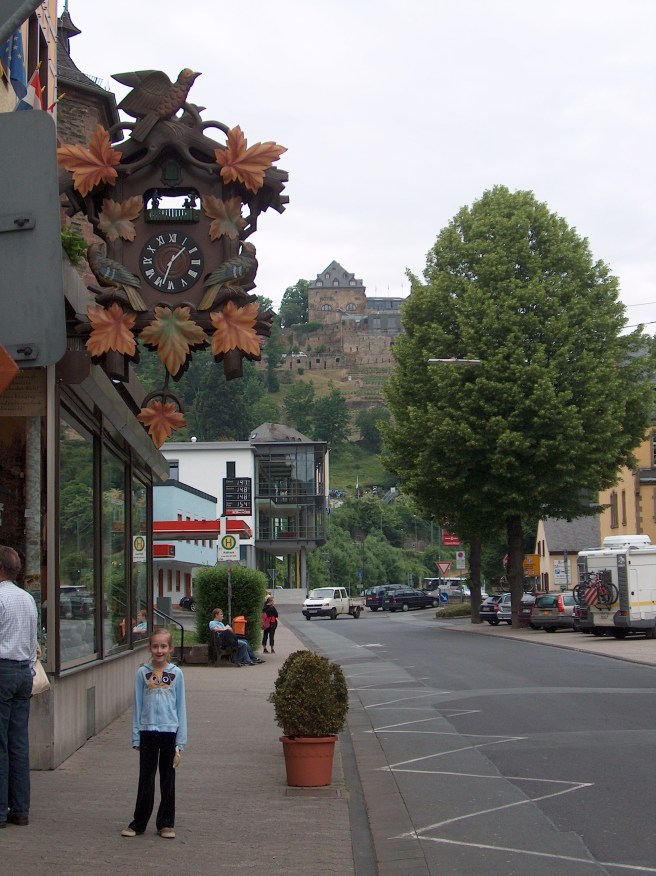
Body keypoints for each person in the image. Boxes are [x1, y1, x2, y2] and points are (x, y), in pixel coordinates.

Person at [121, 628, 187, 839]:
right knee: (146, 778)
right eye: (155, 646)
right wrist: (136, 735)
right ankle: (138, 823)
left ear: (170, 649)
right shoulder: (142, 672)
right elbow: (138, 705)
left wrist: (181, 740)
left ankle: (166, 823)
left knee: (168, 778)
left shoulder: (177, 673)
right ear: (150, 648)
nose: (159, 650)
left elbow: (181, 706)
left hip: (169, 731)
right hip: (148, 731)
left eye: (163, 646)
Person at [0, 546, 38, 828]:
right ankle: (20, 810)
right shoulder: (27, 599)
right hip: (24, 672)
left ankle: (0, 810)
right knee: (18, 744)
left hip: (2, 671)